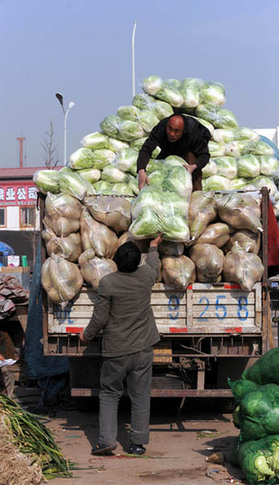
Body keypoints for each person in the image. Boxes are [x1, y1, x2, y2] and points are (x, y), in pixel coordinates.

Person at [79, 234, 162, 456]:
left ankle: (106, 441)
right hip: (143, 348)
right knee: (141, 396)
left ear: (116, 261)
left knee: (109, 393)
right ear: (137, 262)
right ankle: (137, 444)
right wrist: (154, 247)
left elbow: (100, 318)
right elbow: (154, 264)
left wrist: (86, 336)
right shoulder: (146, 276)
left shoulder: (108, 283)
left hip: (116, 351)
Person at [137, 114, 211, 191]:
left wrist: (194, 167)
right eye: (170, 128)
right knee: (160, 168)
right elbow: (146, 149)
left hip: (189, 148)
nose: (172, 133)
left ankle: (195, 195)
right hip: (169, 147)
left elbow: (204, 155)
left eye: (176, 131)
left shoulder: (194, 133)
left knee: (194, 172)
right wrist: (141, 170)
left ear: (183, 131)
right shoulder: (161, 127)